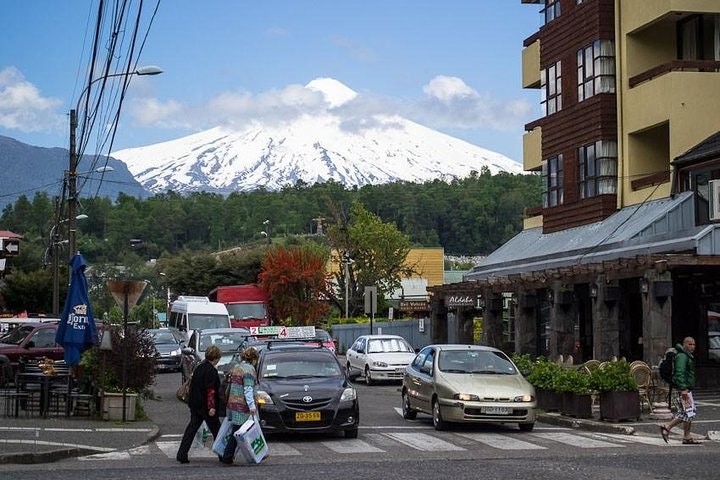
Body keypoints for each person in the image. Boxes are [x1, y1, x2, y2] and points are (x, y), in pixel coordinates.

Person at [176, 345, 223, 464]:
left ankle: (182, 453)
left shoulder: (199, 367)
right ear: (216, 358)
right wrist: (212, 407)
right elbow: (211, 390)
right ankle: (224, 455)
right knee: (217, 431)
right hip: (206, 406)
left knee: (191, 429)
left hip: (195, 404)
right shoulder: (211, 371)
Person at [220, 347, 259, 464]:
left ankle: (229, 455)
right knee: (239, 431)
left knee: (239, 430)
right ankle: (227, 456)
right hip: (242, 405)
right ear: (253, 359)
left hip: (233, 403)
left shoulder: (236, 367)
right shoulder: (249, 370)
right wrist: (252, 406)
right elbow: (248, 389)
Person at [659, 337, 700, 444]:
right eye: (690, 344)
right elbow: (679, 373)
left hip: (686, 388)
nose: (692, 347)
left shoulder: (687, 356)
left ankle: (687, 436)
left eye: (694, 344)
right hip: (683, 389)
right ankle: (667, 426)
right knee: (686, 413)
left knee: (689, 412)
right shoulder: (682, 356)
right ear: (684, 344)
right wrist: (683, 388)